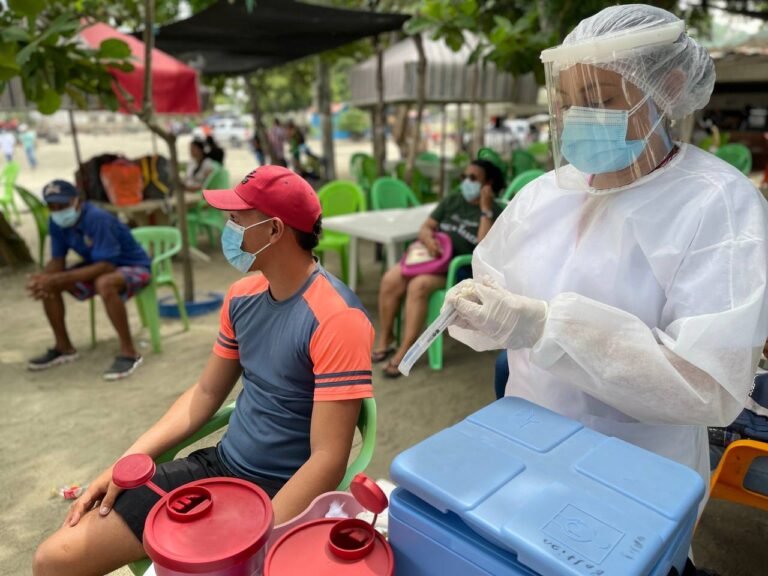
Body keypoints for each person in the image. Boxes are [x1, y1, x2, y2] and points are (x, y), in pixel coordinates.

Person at [445, 4, 768, 505]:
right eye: (566, 101)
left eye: (600, 99)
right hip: (524, 441)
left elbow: (708, 386)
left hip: (637, 472)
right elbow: (494, 294)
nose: (578, 116)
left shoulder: (718, 203)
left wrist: (548, 328)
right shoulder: (546, 194)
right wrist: (479, 310)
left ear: (669, 88)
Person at [33, 166, 375, 576]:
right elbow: (205, 394)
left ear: (274, 230)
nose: (228, 229)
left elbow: (327, 458)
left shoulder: (338, 319)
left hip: (281, 491)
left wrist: (255, 544)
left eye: (236, 219)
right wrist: (127, 462)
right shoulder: (242, 296)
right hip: (219, 468)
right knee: (54, 560)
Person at [374, 159, 505, 378]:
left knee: (418, 286)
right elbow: (427, 226)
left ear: (488, 184)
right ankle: (387, 338)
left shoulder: (496, 211)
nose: (466, 182)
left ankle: (406, 351)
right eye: (464, 177)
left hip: (457, 269)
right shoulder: (453, 200)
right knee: (390, 279)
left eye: (473, 178)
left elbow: (482, 249)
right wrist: (428, 239)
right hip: (431, 258)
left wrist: (485, 210)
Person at [26, 180, 151, 380]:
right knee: (49, 284)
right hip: (98, 265)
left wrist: (57, 278)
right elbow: (58, 260)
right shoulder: (56, 222)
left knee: (104, 283)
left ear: (77, 201)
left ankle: (129, 352)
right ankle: (64, 348)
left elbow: (106, 265)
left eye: (62, 205)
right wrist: (42, 280)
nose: (57, 211)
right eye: (51, 206)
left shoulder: (97, 218)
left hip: (134, 266)